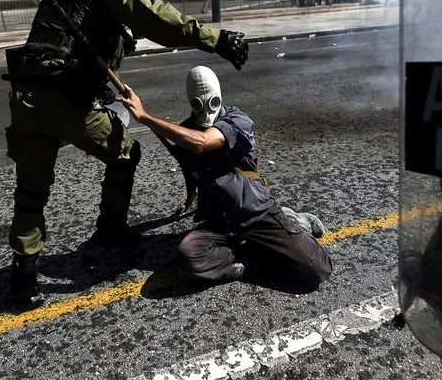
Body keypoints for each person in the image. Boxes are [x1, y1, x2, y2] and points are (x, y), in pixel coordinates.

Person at [4, 0, 250, 304]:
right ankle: (110, 229)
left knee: (31, 189)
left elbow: (61, 49)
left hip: (25, 98)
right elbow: (150, 16)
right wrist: (217, 39)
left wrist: (100, 86)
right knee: (125, 153)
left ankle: (23, 277)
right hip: (65, 100)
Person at [118, 66, 333, 285]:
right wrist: (190, 196)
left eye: (212, 101)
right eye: (198, 103)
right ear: (191, 101)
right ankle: (248, 258)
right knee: (189, 254)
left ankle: (294, 222)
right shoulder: (186, 131)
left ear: (219, 96)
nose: (207, 110)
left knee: (317, 269)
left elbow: (203, 143)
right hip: (220, 221)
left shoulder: (237, 121)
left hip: (254, 212)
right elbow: (189, 167)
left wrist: (145, 117)